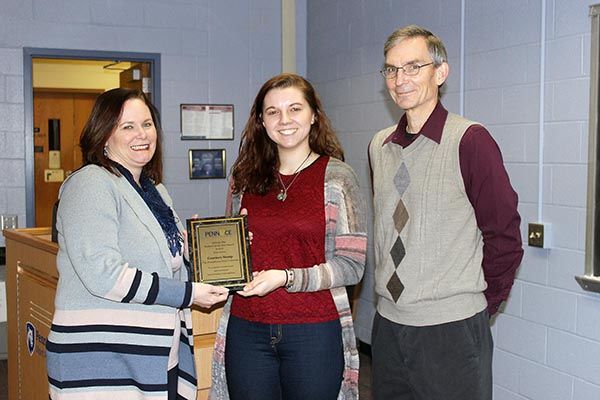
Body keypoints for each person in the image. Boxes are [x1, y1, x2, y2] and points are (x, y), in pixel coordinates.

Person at [369, 25, 524, 400]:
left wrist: (474, 308)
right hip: (388, 326)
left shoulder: (470, 141)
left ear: (440, 73)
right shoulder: (379, 146)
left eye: (413, 67)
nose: (399, 79)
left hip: (451, 330)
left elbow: (504, 236)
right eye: (391, 69)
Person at [46, 88, 230, 400]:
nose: (141, 134)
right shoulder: (90, 183)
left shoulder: (154, 190)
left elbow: (165, 262)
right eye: (127, 126)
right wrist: (189, 294)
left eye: (146, 124)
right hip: (102, 359)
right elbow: (105, 275)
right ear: (104, 135)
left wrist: (207, 247)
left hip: (157, 354)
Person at [210, 73, 367, 400]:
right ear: (261, 122)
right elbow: (233, 253)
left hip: (314, 330)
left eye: (295, 109)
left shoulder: (337, 177)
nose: (284, 120)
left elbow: (352, 266)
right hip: (247, 328)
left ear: (313, 116)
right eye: (272, 112)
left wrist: (286, 277)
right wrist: (205, 247)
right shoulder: (244, 179)